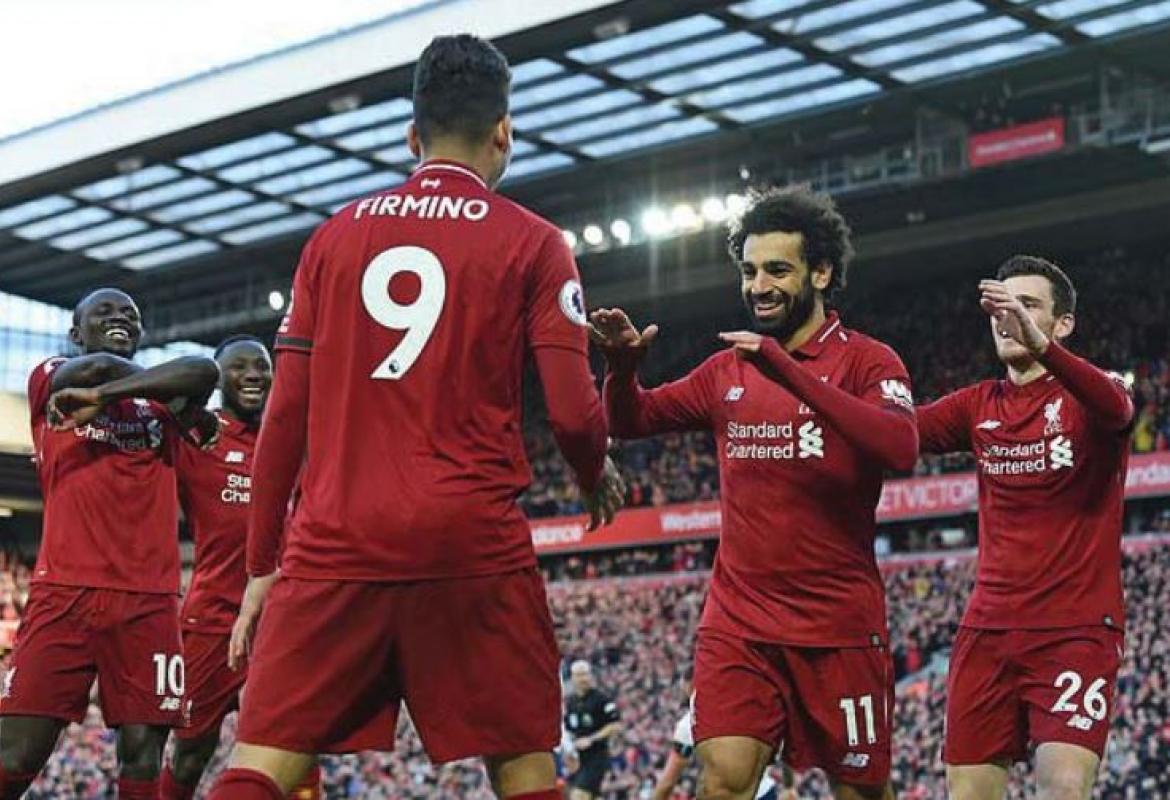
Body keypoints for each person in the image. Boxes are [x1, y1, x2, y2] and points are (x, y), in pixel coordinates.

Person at [207, 34, 623, 800]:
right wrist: (594, 472)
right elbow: (571, 414)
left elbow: (285, 419)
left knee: (260, 764)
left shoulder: (331, 240)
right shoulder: (535, 243)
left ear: (411, 136)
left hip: (335, 544)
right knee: (525, 769)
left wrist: (263, 565)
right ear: (504, 132)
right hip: (473, 546)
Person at [592, 185, 918, 800]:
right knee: (723, 780)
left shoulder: (870, 363)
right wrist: (622, 369)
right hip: (740, 623)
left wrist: (786, 369)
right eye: (749, 271)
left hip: (839, 629)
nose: (759, 286)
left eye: (777, 270)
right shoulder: (729, 370)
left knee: (862, 792)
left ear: (821, 272)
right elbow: (631, 420)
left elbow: (900, 446)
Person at [917, 256, 1133, 800]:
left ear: (1063, 323)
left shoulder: (1094, 393)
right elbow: (890, 433)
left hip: (1075, 630)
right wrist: (798, 384)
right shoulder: (977, 404)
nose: (1008, 317)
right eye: (1000, 307)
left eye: (1027, 306)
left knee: (1063, 788)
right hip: (987, 631)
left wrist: (1042, 348)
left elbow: (1116, 410)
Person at [0, 288, 219, 800]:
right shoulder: (51, 376)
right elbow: (95, 368)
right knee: (17, 754)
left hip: (150, 601)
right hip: (65, 593)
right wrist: (153, 391)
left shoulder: (159, 404)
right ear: (75, 332)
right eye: (104, 312)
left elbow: (204, 371)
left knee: (143, 757)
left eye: (130, 314)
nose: (120, 318)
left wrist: (104, 399)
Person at [159, 336, 321, 799]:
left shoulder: (293, 438)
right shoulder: (198, 437)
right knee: (192, 751)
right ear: (218, 379)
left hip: (283, 619)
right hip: (213, 618)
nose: (253, 374)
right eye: (239, 366)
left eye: (262, 366)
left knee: (298, 749)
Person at [654, 705, 795, 800]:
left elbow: (668, 782)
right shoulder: (753, 705)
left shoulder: (690, 721)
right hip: (762, 792)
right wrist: (789, 786)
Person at [563, 661, 621, 799]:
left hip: (597, 757)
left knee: (578, 796)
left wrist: (591, 739)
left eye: (586, 674)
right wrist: (569, 752)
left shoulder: (601, 699)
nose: (584, 678)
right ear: (572, 678)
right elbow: (569, 731)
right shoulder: (571, 702)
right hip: (579, 758)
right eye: (579, 675)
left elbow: (615, 726)